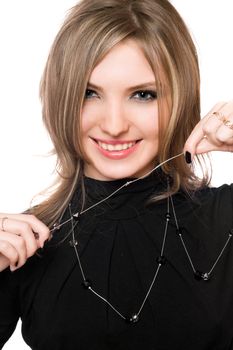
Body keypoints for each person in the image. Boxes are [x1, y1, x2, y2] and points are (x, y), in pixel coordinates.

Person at [0, 0, 233, 349]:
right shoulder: (22, 245)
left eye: (143, 95)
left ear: (180, 99)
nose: (113, 125)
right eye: (89, 93)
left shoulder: (226, 219)